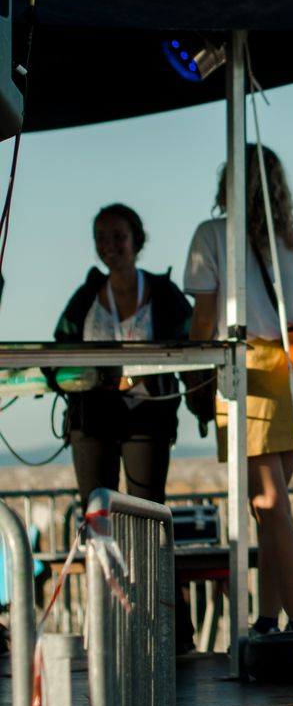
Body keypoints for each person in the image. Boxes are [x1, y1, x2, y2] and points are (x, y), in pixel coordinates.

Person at [184, 145, 293, 634]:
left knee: (267, 504)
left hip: (244, 370)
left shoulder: (212, 237)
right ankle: (269, 615)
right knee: (272, 504)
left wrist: (196, 377)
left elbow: (204, 318)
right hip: (289, 371)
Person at [54, 203, 194, 650]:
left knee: (148, 517)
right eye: (101, 237)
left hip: (147, 418)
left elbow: (192, 344)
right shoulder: (85, 295)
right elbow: (57, 353)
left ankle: (168, 632)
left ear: (136, 240)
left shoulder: (162, 291)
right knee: (97, 521)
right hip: (92, 420)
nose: (109, 245)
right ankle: (107, 627)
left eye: (117, 236)